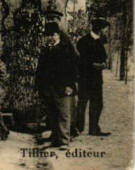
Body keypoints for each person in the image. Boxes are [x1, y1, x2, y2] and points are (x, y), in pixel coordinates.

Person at [36, 21, 79, 149]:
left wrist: (70, 86)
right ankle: (55, 139)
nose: (50, 38)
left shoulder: (67, 48)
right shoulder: (46, 49)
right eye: (48, 35)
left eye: (52, 35)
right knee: (52, 114)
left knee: (63, 114)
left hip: (63, 86)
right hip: (48, 87)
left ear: (58, 34)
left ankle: (64, 141)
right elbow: (40, 69)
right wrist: (39, 85)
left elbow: (74, 69)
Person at [76, 18, 111, 137]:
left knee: (97, 103)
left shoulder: (100, 42)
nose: (106, 32)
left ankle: (93, 128)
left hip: (96, 79)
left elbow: (103, 58)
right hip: (85, 78)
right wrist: (92, 64)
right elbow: (81, 60)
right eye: (105, 29)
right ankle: (78, 128)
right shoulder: (82, 42)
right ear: (99, 29)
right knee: (82, 103)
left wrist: (103, 64)